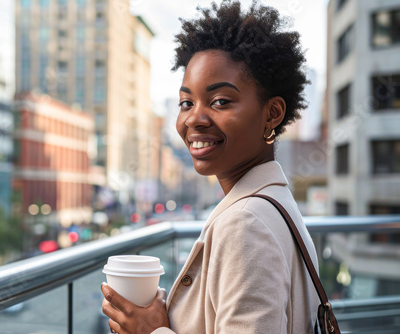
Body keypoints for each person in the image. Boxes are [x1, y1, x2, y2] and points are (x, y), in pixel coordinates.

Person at [101, 0, 319, 333]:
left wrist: (151, 331)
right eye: (186, 102)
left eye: (220, 102)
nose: (194, 119)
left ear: (272, 114)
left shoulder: (246, 224)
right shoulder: (276, 205)